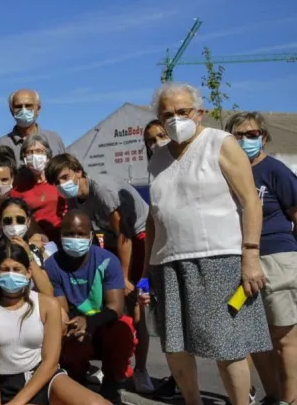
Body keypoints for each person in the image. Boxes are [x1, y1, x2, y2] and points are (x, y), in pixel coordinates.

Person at [147, 82, 270, 405]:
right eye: (167, 114)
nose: (175, 119)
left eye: (183, 111)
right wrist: (148, 266)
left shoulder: (221, 143)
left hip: (218, 260)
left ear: (199, 113)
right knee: (175, 348)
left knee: (227, 346)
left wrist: (251, 255)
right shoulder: (157, 158)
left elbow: (251, 201)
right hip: (167, 263)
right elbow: (154, 215)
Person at [46, 153, 154, 392]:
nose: (62, 184)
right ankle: (110, 361)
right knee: (111, 305)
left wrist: (124, 277)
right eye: (56, 181)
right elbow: (92, 235)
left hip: (137, 238)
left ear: (78, 171)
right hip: (116, 242)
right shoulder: (74, 199)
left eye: (65, 176)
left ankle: (140, 369)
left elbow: (125, 234)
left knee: (135, 305)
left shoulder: (102, 190)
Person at [0, 242, 109, 405]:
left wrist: (16, 403)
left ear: (28, 273)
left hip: (46, 378)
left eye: (17, 269)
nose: (11, 274)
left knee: (98, 403)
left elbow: (50, 362)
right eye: (5, 269)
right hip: (9, 386)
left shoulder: (47, 305)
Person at [225, 111, 297, 405]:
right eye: (238, 135)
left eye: (252, 134)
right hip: (239, 263)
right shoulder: (227, 172)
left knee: (284, 338)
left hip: (276, 258)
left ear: (263, 137)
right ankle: (274, 395)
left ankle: (290, 399)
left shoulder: (275, 170)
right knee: (254, 338)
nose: (245, 140)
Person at [45, 211, 135, 404]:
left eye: (80, 234)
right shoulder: (52, 265)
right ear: (60, 236)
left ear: (91, 236)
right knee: (68, 338)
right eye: (69, 234)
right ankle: (75, 380)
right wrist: (77, 326)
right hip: (73, 326)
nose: (75, 238)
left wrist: (90, 323)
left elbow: (116, 307)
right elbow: (61, 310)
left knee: (122, 330)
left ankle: (112, 384)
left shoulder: (108, 260)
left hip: (102, 324)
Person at [0, 198, 54, 295]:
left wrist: (28, 253)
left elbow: (48, 292)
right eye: (8, 220)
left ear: (28, 222)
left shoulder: (33, 249)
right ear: (0, 222)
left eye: (20, 220)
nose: (14, 225)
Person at [11, 134, 66, 244]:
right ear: (24, 158)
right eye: (29, 152)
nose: (34, 155)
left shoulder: (58, 181)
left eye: (39, 151)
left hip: (61, 237)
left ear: (48, 156)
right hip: (34, 240)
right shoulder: (19, 189)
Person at [0, 89, 66, 162]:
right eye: (18, 106)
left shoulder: (54, 139)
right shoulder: (3, 144)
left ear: (38, 109)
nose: (23, 110)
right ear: (11, 111)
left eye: (28, 106)